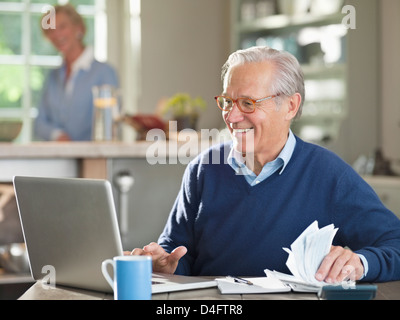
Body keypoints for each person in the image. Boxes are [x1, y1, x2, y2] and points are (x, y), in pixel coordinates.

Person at [131, 46, 400, 283]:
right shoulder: (203, 170)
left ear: (290, 106)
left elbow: (395, 246)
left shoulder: (331, 176)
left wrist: (360, 263)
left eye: (248, 103)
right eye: (227, 102)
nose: (232, 116)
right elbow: (178, 254)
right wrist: (164, 265)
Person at [34, 4, 119, 141]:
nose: (56, 34)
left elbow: (110, 123)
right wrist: (58, 135)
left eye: (62, 27)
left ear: (78, 28)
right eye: (50, 30)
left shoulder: (104, 73)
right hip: (58, 158)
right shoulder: (52, 76)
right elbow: (39, 124)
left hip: (93, 157)